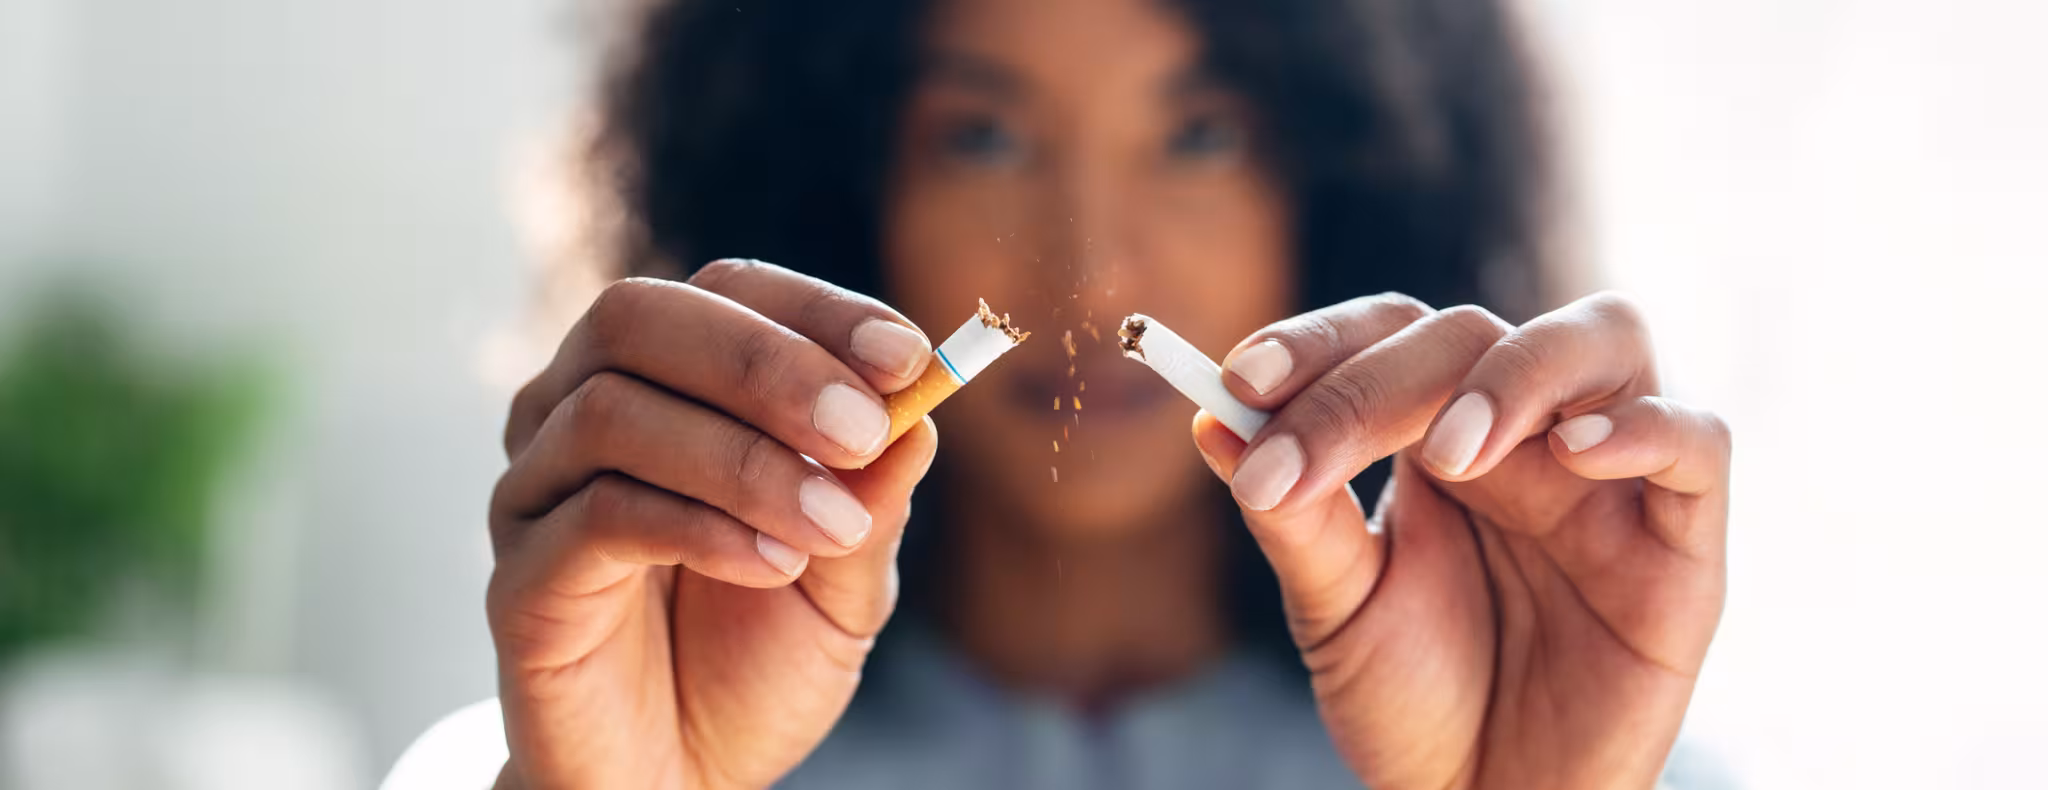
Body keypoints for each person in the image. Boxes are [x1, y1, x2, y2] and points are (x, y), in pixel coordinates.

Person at [385, 0, 1732, 786]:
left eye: (1201, 134)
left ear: (1344, 184)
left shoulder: (1585, 748)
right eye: (983, 134)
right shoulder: (562, 755)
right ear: (848, 190)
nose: (1095, 269)